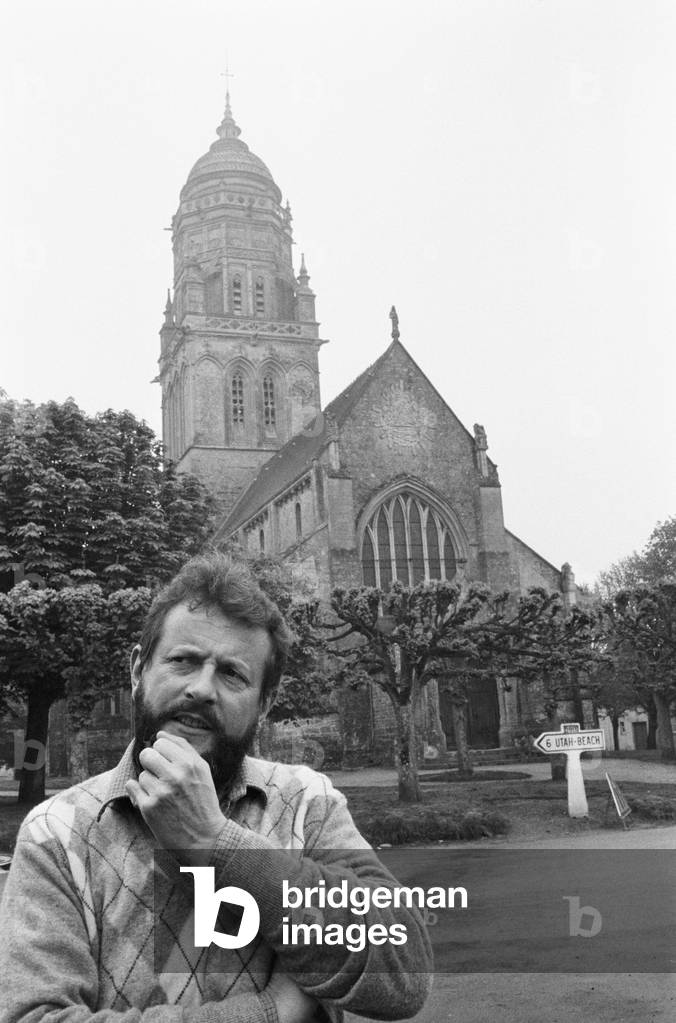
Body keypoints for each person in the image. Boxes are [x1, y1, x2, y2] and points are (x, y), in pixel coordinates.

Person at [0, 553, 432, 1023]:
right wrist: (270, 1013)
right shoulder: (55, 834)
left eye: (232, 673)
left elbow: (403, 977)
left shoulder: (308, 803)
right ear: (137, 670)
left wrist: (218, 846)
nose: (202, 689)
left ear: (264, 702)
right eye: (183, 661)